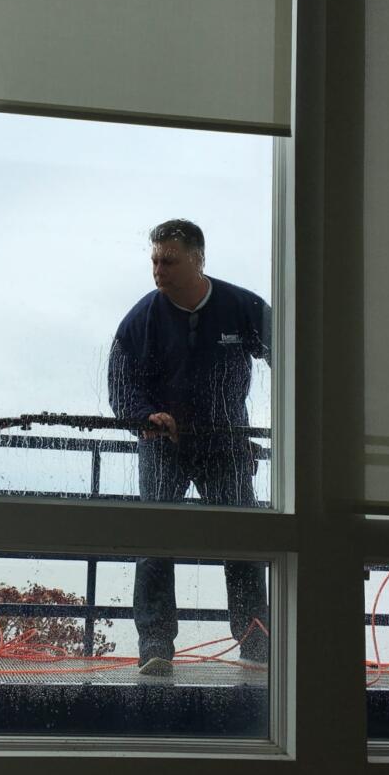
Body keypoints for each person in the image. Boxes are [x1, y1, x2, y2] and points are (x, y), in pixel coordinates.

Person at [107, 219, 272, 676]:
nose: (158, 270)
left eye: (169, 261)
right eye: (155, 260)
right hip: (164, 446)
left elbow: (292, 356)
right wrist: (146, 417)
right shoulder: (141, 319)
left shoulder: (241, 307)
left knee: (243, 538)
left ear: (198, 259)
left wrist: (295, 417)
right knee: (155, 541)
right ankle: (155, 645)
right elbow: (120, 385)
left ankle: (257, 642)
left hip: (227, 444)